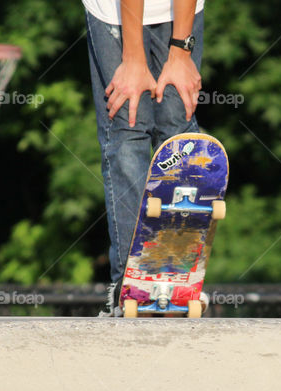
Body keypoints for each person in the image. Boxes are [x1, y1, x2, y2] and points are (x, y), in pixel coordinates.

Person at [83, 0, 204, 314]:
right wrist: (133, 58)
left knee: (179, 129)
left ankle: (176, 276)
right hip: (113, 13)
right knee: (128, 128)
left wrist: (181, 51)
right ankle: (128, 283)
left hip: (181, 12)